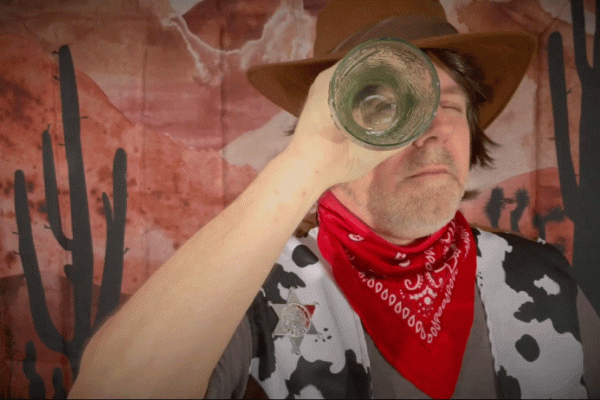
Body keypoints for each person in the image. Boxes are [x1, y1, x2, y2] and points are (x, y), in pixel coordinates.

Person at [69, 0, 593, 398]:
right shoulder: (253, 295)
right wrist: (304, 165)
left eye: (449, 105)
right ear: (331, 129)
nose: (429, 132)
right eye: (391, 111)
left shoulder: (543, 277)